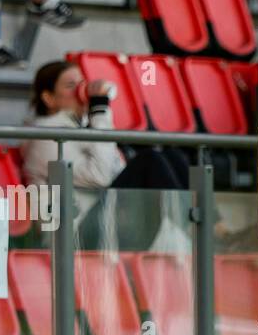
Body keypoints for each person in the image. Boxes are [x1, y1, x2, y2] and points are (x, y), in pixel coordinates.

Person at [20, 60, 192, 252]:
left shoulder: (81, 128)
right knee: (150, 161)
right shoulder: (44, 137)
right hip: (74, 236)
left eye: (82, 84)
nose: (80, 91)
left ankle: (205, 224)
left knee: (172, 155)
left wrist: (96, 120)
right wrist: (100, 112)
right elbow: (102, 176)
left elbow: (115, 171)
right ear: (49, 98)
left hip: (102, 219)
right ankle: (196, 225)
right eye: (70, 86)